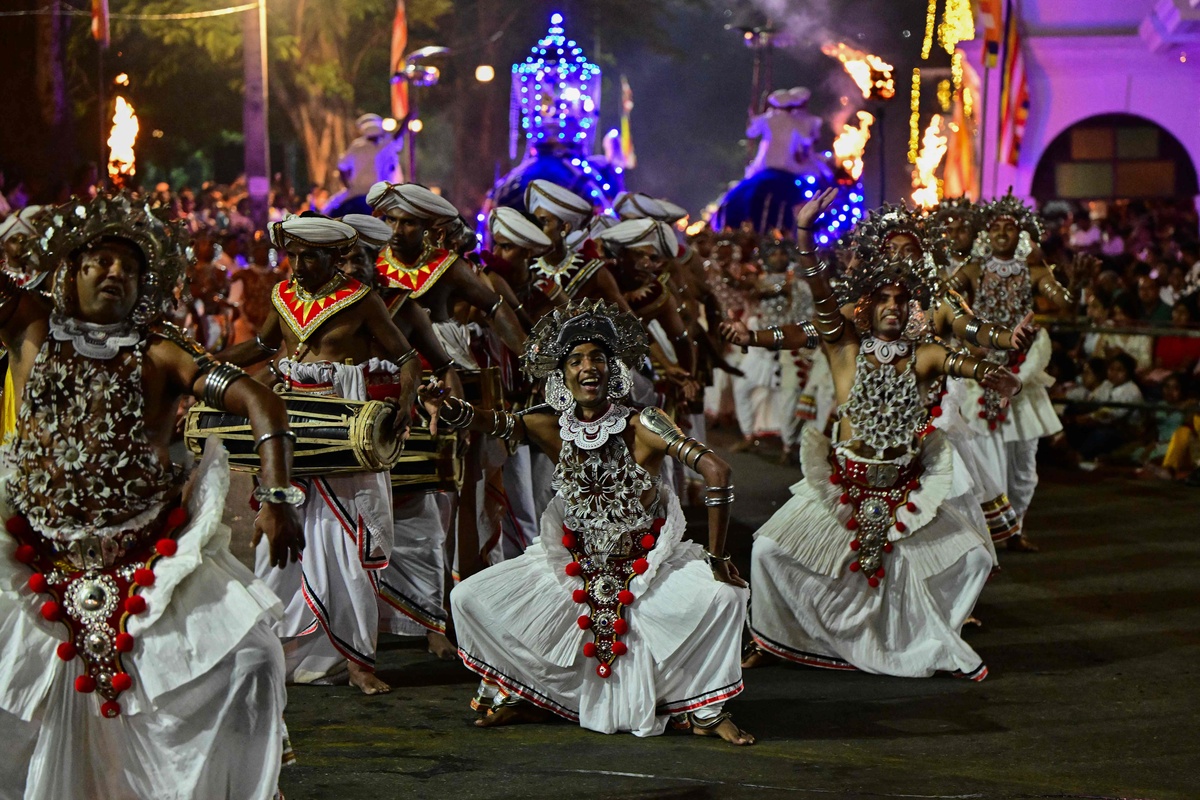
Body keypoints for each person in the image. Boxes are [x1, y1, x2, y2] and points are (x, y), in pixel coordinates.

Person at [0, 191, 302, 799]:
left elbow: (260, 402)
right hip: (34, 558)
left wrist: (277, 496)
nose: (116, 274)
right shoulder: (28, 328)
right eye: (100, 263)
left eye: (131, 269)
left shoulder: (164, 352)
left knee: (253, 665)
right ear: (68, 272)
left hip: (151, 561)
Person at [422, 300, 754, 745]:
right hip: (571, 567)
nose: (588, 367)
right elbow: (490, 423)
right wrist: (448, 405)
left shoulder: (644, 423)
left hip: (646, 567)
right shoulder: (548, 424)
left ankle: (705, 712)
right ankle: (530, 696)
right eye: (575, 359)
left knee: (726, 598)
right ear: (561, 374)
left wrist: (717, 557)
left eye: (597, 357)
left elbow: (718, 472)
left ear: (613, 368)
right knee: (466, 599)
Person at [743, 189, 1021, 679]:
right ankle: (780, 638)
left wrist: (994, 371)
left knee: (976, 558)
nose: (893, 307)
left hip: (905, 488)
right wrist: (804, 234)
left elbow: (962, 357)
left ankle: (931, 632)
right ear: (866, 308)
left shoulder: (924, 351)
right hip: (843, 485)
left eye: (902, 299)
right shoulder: (843, 347)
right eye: (884, 300)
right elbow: (818, 290)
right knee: (767, 552)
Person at [220, 214, 421, 695]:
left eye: (310, 255)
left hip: (343, 422)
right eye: (294, 254)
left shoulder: (362, 299)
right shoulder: (282, 296)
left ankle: (356, 662)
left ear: (332, 257)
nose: (299, 264)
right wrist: (209, 364)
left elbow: (405, 356)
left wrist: (407, 402)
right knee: (279, 524)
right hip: (291, 422)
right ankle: (276, 650)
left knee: (344, 539)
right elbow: (265, 344)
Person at [947, 192, 1083, 552]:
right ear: (986, 236)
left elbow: (1063, 302)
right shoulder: (973, 270)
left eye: (1010, 228)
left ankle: (1015, 528)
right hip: (983, 374)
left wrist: (1075, 287)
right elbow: (942, 296)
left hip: (1023, 375)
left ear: (1020, 234)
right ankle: (989, 533)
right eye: (996, 228)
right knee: (987, 466)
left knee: (1024, 470)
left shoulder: (1034, 270)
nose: (1003, 234)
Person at [326, 114, 404, 217]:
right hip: (384, 192)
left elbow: (342, 166)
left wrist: (348, 185)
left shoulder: (356, 146)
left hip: (357, 191)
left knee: (327, 210)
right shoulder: (387, 144)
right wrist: (408, 118)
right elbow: (398, 135)